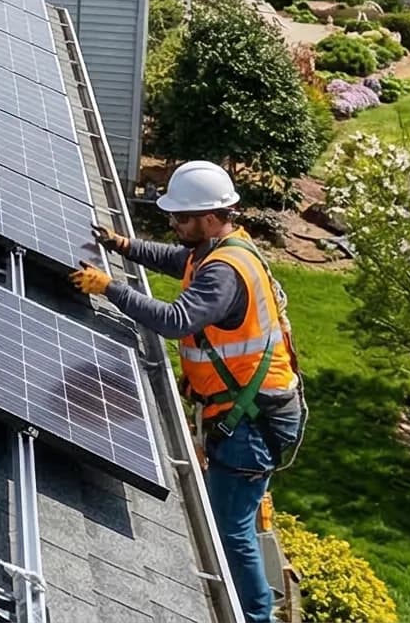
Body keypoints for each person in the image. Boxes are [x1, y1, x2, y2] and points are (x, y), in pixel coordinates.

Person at [71, 162, 305, 623]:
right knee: (236, 519)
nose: (174, 224)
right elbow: (175, 259)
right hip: (250, 411)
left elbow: (176, 320)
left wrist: (110, 288)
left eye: (182, 217)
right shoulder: (219, 248)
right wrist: (123, 245)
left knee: (231, 531)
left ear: (212, 217)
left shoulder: (224, 272)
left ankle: (255, 616)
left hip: (251, 421)